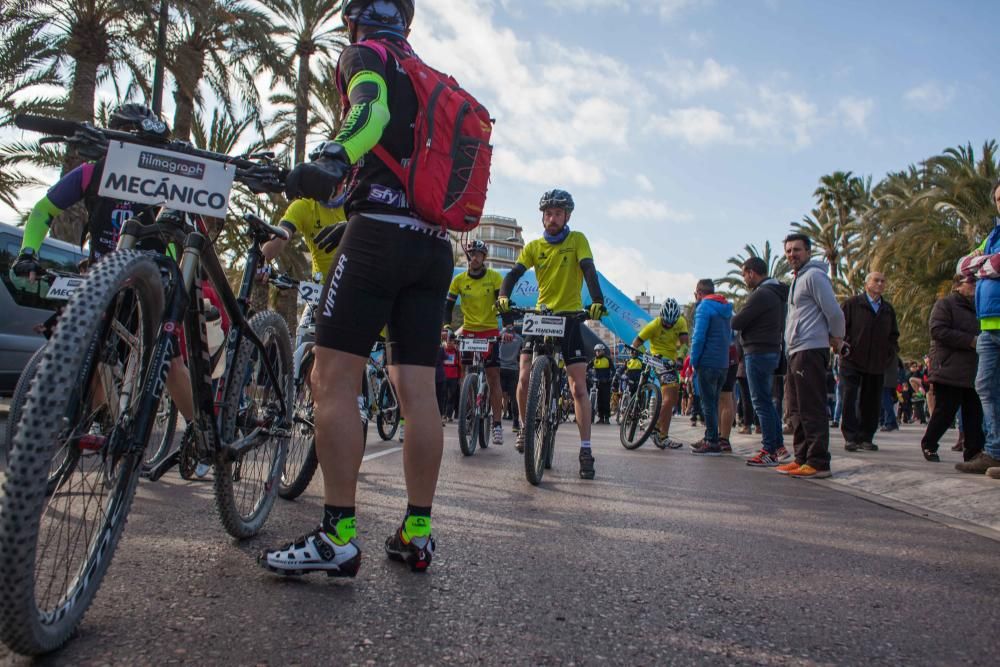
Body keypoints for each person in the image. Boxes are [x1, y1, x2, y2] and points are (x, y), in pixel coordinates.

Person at [261, 0, 454, 576]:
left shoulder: (365, 54)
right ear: (408, 21)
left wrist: (332, 154)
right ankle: (417, 532)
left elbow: (366, 114)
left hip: (377, 240)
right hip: (433, 246)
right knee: (418, 393)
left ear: (353, 19)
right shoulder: (429, 78)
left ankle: (338, 534)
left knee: (332, 377)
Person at [9, 104, 201, 428]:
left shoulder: (161, 178)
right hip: (103, 278)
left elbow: (175, 227)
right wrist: (28, 251)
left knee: (167, 361)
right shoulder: (91, 172)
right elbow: (43, 211)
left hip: (148, 280)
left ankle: (197, 429)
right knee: (91, 348)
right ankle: (105, 420)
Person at [497, 189, 607, 479]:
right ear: (542, 217)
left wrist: (596, 301)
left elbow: (589, 270)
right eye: (548, 213)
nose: (553, 218)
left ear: (567, 216)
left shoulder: (577, 240)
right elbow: (512, 275)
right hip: (540, 316)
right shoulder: (534, 246)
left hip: (570, 318)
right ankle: (524, 426)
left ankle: (585, 450)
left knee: (578, 388)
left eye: (558, 213)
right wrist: (504, 296)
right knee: (523, 376)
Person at [776, 232, 845, 478]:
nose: (792, 254)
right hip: (795, 351)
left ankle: (818, 462)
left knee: (810, 407)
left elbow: (834, 312)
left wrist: (837, 338)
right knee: (795, 408)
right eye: (788, 251)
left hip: (810, 350)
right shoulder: (798, 279)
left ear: (808, 251)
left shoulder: (815, 276)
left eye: (797, 249)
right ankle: (802, 457)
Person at [955, 183, 1000, 476]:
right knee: (985, 387)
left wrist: (982, 264)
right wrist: (985, 263)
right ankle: (995, 452)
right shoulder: (994, 235)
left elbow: (994, 265)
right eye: (998, 198)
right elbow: (963, 266)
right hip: (989, 327)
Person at [731, 256, 790, 467]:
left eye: (744, 275)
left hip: (757, 351)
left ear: (751, 273)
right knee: (766, 400)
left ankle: (769, 450)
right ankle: (778, 446)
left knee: (760, 402)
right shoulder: (777, 293)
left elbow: (737, 321)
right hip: (771, 349)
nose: (744, 279)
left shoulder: (761, 294)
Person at [445, 240, 505, 445]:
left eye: (478, 254)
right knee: (466, 373)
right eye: (471, 253)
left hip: (489, 330)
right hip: (469, 331)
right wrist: (447, 328)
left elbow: (502, 305)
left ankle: (497, 424)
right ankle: (467, 407)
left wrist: (507, 328)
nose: (474, 257)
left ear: (484, 257)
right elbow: (448, 306)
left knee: (493, 377)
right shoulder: (459, 280)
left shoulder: (494, 277)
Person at [920, 274, 983, 462]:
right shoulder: (945, 304)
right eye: (971, 282)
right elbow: (938, 330)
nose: (975, 285)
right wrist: (970, 341)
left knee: (974, 414)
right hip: (949, 368)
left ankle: (974, 452)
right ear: (958, 286)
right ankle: (929, 444)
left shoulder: (980, 306)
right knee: (945, 411)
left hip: (974, 369)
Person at [839, 271, 900, 452]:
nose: (880, 284)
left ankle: (866, 437)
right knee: (849, 397)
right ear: (867, 284)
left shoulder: (887, 309)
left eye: (883, 281)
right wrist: (844, 348)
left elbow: (893, 335)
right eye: (876, 280)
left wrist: (889, 353)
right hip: (852, 360)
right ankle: (850, 437)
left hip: (876, 363)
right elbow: (839, 328)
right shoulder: (852, 304)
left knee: (871, 400)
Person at [631, 298, 688, 448]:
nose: (669, 325)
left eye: (672, 323)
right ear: (661, 317)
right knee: (669, 396)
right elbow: (636, 342)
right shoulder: (654, 325)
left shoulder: (681, 322)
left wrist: (681, 358)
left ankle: (662, 436)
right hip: (657, 359)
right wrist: (639, 353)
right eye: (666, 322)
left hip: (671, 361)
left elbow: (684, 344)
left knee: (673, 398)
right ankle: (655, 428)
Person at [688, 279, 733, 455]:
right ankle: (710, 436)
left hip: (707, 362)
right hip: (723, 362)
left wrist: (693, 361)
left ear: (699, 293)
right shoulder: (726, 308)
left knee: (708, 404)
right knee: (713, 402)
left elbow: (698, 337)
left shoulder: (704, 307)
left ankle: (712, 442)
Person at [498, 328, 524, 430]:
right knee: (514, 398)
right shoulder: (519, 339)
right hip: (513, 369)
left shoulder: (500, 336)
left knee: (498, 395)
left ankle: (497, 423)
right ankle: (515, 423)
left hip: (500, 368)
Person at [590, 343, 613, 424]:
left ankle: (606, 418)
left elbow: (613, 370)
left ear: (603, 351)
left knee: (606, 400)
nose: (597, 352)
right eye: (596, 351)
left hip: (606, 383)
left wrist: (610, 378)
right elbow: (587, 367)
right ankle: (600, 418)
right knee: (599, 400)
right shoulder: (594, 359)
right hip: (597, 383)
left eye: (599, 351)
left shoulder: (608, 359)